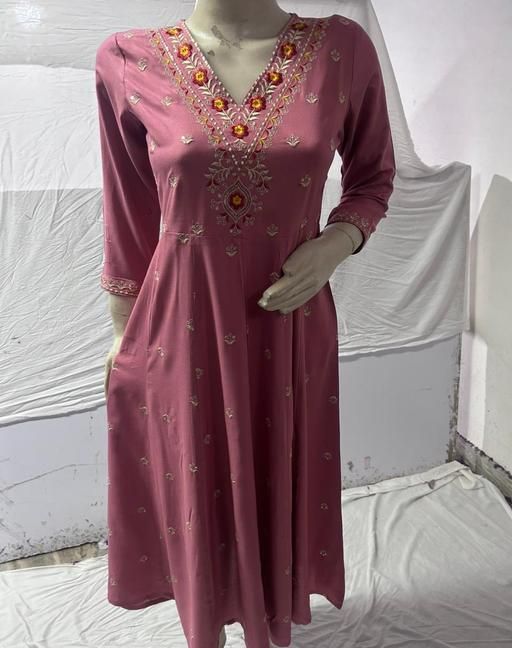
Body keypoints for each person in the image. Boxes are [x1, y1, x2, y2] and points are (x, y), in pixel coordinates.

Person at [96, 1, 396, 646]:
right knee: (194, 484)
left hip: (288, 326)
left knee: (274, 475)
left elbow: (373, 177)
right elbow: (128, 215)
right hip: (182, 326)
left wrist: (335, 243)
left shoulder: (341, 49)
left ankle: (267, 621)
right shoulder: (127, 58)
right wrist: (122, 336)